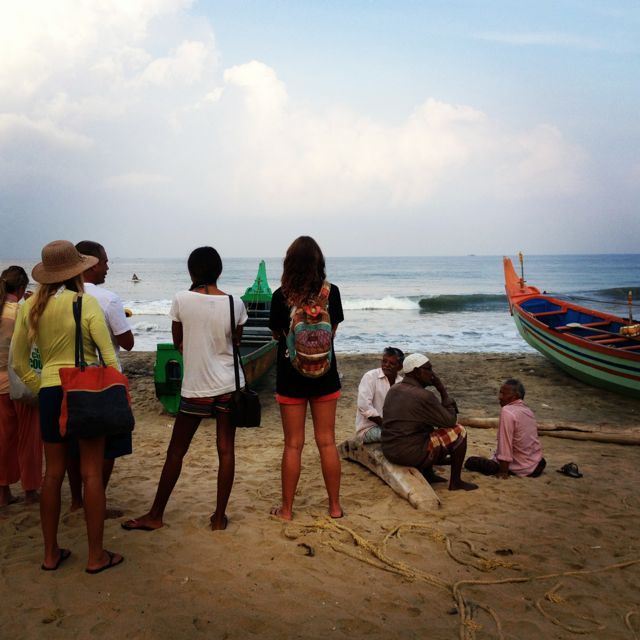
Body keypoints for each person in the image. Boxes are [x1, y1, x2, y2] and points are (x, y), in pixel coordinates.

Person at [12, 240, 124, 572]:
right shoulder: (85, 303)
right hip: (84, 394)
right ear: (77, 270)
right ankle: (96, 556)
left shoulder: (29, 308)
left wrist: (43, 385)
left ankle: (50, 554)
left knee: (52, 474)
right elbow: (109, 357)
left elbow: (18, 362)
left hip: (49, 393)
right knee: (91, 473)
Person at [122, 246, 246, 532]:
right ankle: (218, 518)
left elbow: (178, 342)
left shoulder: (181, 299)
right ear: (219, 271)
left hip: (196, 385)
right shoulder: (234, 303)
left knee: (176, 451)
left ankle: (156, 514)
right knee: (226, 450)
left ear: (192, 271)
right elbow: (235, 341)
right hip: (228, 383)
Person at [269, 236, 344, 520]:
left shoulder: (280, 296)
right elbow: (332, 331)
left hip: (291, 377)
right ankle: (334, 507)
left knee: (293, 444)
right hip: (325, 375)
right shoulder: (332, 293)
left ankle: (287, 510)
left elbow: (278, 335)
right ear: (319, 263)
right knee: (327, 442)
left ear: (289, 265)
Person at [66, 241, 135, 515]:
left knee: (74, 444)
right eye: (105, 262)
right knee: (108, 446)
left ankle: (76, 500)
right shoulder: (107, 299)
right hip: (103, 380)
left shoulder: (60, 297)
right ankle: (97, 500)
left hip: (67, 378)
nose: (107, 267)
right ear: (91, 264)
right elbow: (127, 342)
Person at [381, 353, 478, 491]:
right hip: (409, 454)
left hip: (389, 450)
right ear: (416, 372)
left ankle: (428, 473)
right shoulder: (424, 396)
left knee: (425, 427)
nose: (432, 374)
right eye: (428, 369)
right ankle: (456, 482)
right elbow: (450, 421)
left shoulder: (394, 389)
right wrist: (442, 390)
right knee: (459, 431)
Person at [0, 266, 42, 506]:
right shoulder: (20, 311)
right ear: (22, 287)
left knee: (4, 439)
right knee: (29, 438)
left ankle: (4, 491)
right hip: (20, 381)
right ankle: (30, 490)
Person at [464, 379, 546, 479]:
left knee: (471, 462)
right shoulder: (528, 410)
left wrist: (503, 471)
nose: (500, 397)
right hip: (536, 464)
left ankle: (505, 468)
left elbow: (505, 443)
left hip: (519, 467)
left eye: (503, 394)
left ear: (514, 397)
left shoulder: (507, 411)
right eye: (500, 393)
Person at [355, 347, 404, 443]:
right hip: (368, 429)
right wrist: (386, 425)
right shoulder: (370, 377)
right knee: (399, 438)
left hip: (390, 427)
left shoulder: (401, 382)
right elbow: (364, 406)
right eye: (384, 361)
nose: (386, 365)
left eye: (392, 363)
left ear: (400, 367)